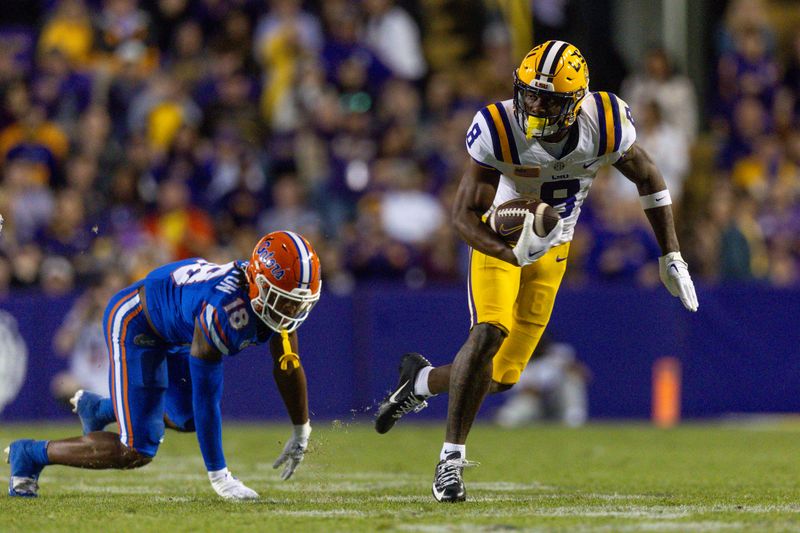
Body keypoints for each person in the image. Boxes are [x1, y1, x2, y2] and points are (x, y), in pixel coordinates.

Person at [373, 40, 699, 503]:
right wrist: (505, 253)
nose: (535, 104)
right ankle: (450, 462)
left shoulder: (604, 124)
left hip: (554, 250)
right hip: (502, 238)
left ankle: (419, 381)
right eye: (530, 93)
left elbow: (649, 177)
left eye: (549, 99)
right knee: (488, 332)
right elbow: (463, 217)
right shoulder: (500, 127)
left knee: (503, 376)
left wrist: (671, 256)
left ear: (576, 101)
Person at [5, 231, 322, 499]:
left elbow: (287, 364)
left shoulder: (269, 303)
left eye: (298, 302)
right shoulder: (222, 310)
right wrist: (220, 476)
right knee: (136, 450)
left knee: (186, 419)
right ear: (258, 283)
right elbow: (206, 396)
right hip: (137, 322)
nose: (290, 311)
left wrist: (301, 430)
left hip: (175, 329)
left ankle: (101, 409)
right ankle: (30, 454)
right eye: (285, 300)